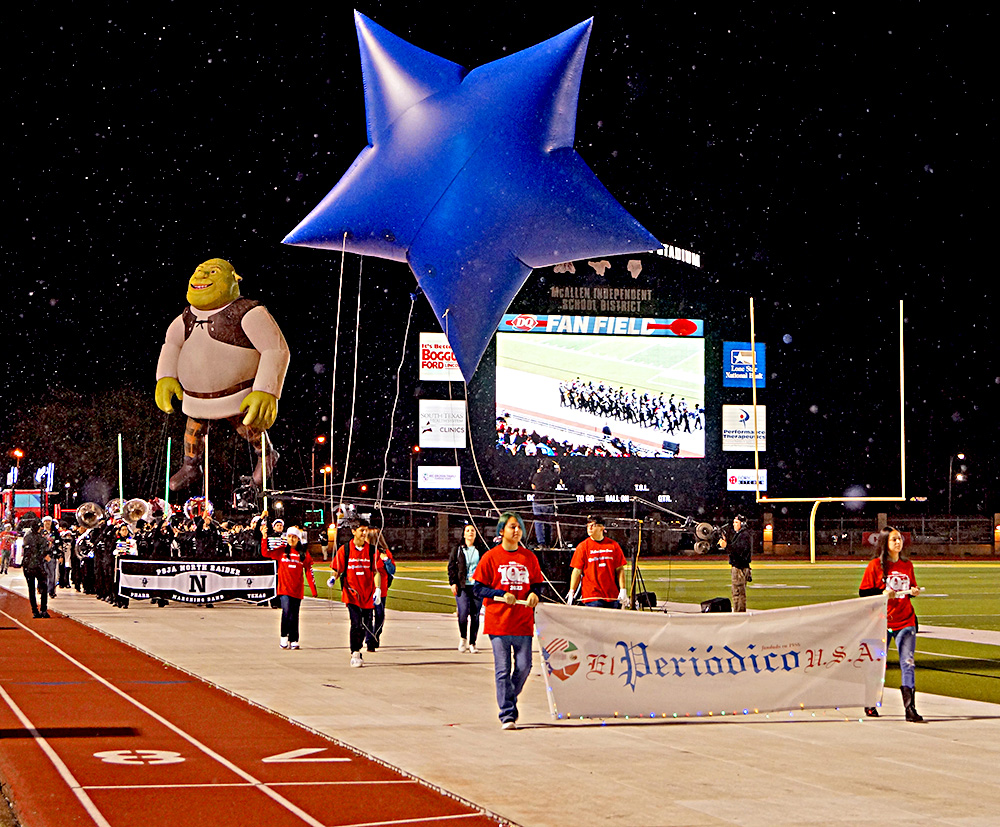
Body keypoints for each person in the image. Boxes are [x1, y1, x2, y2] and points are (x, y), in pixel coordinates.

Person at [473, 512, 543, 730]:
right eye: (512, 527)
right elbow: (478, 588)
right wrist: (500, 594)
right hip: (499, 623)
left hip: (522, 623)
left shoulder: (529, 557)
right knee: (502, 670)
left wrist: (534, 594)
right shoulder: (490, 557)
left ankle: (508, 697)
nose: (516, 531)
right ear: (501, 531)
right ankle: (507, 714)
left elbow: (536, 583)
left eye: (519, 527)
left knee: (524, 667)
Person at [859, 526, 924, 722]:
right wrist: (882, 594)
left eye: (900, 539)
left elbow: (909, 586)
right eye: (894, 539)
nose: (898, 542)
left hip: (906, 620)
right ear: (885, 543)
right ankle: (871, 702)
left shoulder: (907, 565)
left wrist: (914, 590)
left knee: (908, 663)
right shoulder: (875, 566)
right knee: (877, 664)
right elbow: (863, 594)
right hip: (881, 622)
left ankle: (909, 708)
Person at [329, 519, 381, 668]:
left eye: (366, 530)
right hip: (351, 594)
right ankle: (355, 652)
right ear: (353, 532)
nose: (364, 533)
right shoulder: (344, 550)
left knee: (365, 624)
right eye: (361, 530)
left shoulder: (372, 550)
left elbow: (376, 571)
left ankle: (359, 648)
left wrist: (378, 589)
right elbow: (337, 569)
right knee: (356, 623)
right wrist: (333, 578)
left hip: (367, 594)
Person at [261, 523, 317, 649]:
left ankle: (294, 639)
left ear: (298, 539)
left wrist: (313, 589)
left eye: (294, 537)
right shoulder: (281, 551)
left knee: (294, 614)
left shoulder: (303, 554)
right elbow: (265, 553)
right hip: (284, 590)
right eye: (289, 536)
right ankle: (283, 637)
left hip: (297, 590)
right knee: (286, 612)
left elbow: (309, 570)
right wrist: (264, 537)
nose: (291, 539)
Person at [567, 515, 627, 608]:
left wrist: (623, 589)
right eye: (588, 525)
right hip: (592, 596)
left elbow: (620, 569)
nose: (589, 528)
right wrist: (572, 591)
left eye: (593, 525)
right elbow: (577, 571)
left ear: (602, 527)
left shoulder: (613, 545)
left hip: (611, 595)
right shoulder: (583, 547)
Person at [448, 524, 484, 653]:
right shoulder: (457, 549)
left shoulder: (481, 549)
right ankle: (463, 638)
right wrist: (453, 582)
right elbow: (451, 567)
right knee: (463, 613)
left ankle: (472, 642)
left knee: (475, 615)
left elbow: (486, 566)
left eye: (472, 531)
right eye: (467, 531)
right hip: (462, 586)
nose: (470, 533)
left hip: (477, 587)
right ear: (463, 534)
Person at [365, 528, 395, 653]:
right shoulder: (364, 552)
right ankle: (369, 640)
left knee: (379, 615)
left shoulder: (385, 552)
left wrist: (386, 560)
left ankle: (376, 635)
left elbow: (392, 570)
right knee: (367, 616)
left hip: (381, 589)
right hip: (367, 588)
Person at [718, 514, 752, 612]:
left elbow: (738, 551)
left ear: (743, 524)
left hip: (739, 568)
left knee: (738, 594)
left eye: (736, 522)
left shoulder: (744, 535)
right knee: (738, 593)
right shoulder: (742, 534)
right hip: (740, 567)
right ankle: (739, 612)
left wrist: (726, 546)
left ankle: (739, 615)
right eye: (734, 522)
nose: (734, 524)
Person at [20, 519, 51, 619]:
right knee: (44, 587)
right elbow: (44, 552)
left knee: (31, 589)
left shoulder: (26, 538)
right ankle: (43, 609)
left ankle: (34, 611)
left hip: (27, 566)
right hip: (38, 566)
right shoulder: (41, 539)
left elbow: (25, 550)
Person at [529, 458, 562, 547]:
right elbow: (558, 482)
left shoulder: (537, 475)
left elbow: (533, 486)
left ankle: (541, 543)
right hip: (548, 503)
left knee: (538, 523)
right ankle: (548, 543)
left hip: (538, 502)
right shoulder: (554, 476)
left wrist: (539, 473)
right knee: (548, 523)